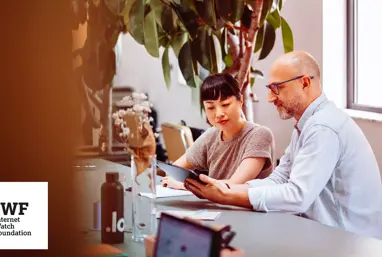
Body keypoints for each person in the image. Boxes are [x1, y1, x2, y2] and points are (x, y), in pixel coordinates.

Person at [184, 50, 382, 239]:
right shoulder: (307, 124)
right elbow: (280, 178)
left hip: (348, 241)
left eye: (277, 88)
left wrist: (227, 196)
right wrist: (227, 188)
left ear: (304, 83)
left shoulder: (323, 127)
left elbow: (297, 195)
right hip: (322, 233)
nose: (270, 98)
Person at [162, 73, 275, 190]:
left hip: (246, 208)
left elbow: (232, 186)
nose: (219, 114)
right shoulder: (211, 135)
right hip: (214, 207)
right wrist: (175, 180)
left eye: (225, 104)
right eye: (211, 108)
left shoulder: (260, 135)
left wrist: (183, 185)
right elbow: (173, 172)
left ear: (240, 100)